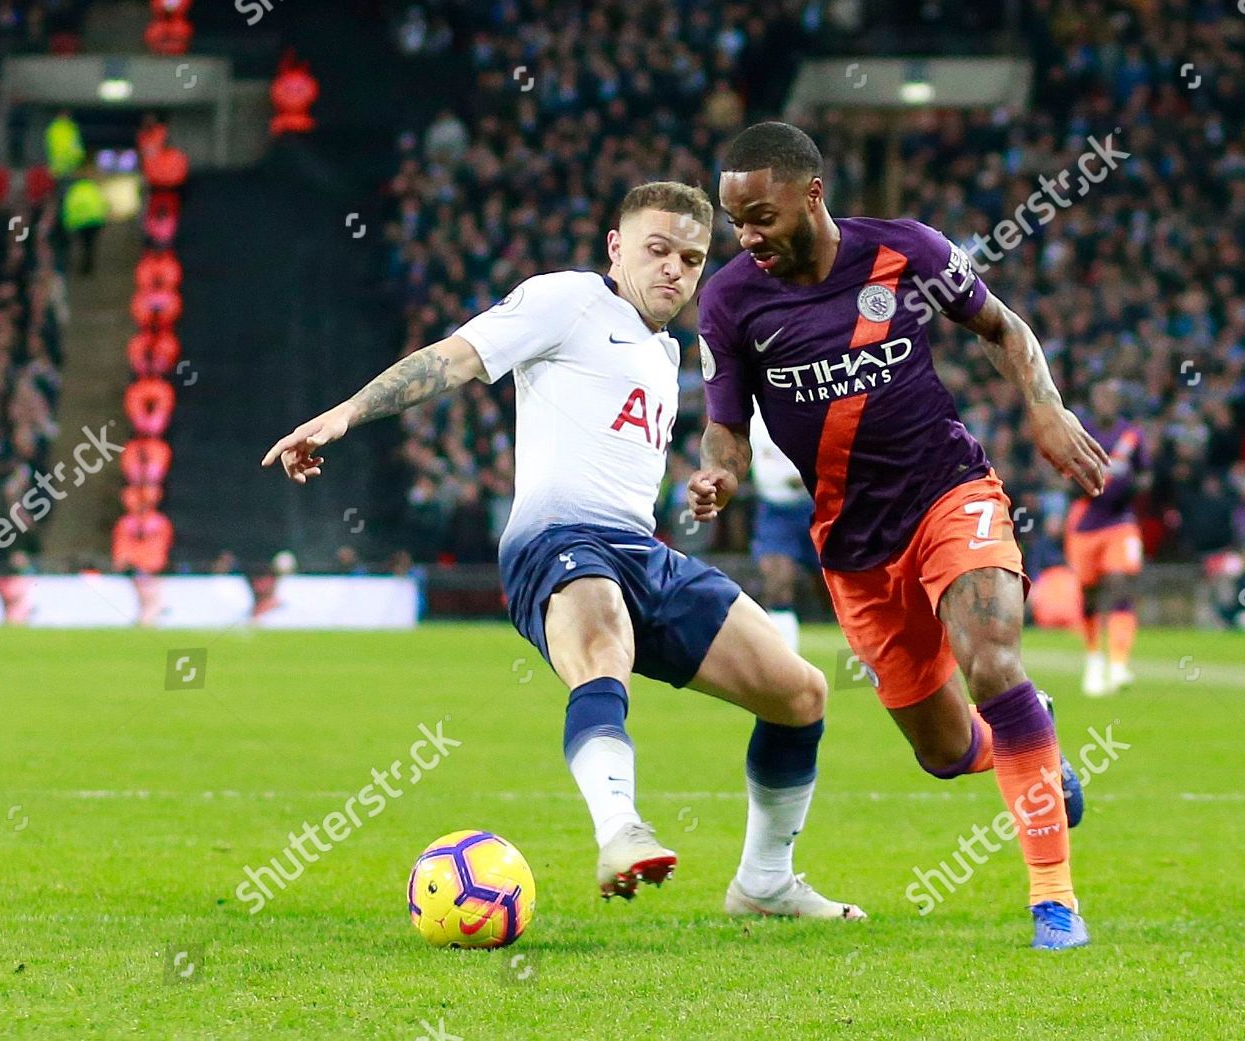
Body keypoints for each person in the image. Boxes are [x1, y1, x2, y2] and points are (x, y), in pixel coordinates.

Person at [263, 181, 863, 919]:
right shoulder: (567, 300)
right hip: (556, 541)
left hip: (640, 552)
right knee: (604, 641)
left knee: (800, 693)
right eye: (657, 249)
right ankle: (620, 831)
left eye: (691, 259)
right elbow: (453, 359)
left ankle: (764, 883)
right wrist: (346, 415)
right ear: (616, 247)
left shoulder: (667, 350)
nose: (674, 269)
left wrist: (713, 483)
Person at [688, 122, 1103, 949]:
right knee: (945, 750)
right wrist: (719, 474)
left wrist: (1047, 409)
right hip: (853, 544)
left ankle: (1054, 901)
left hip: (949, 492)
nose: (748, 237)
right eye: (736, 221)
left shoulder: (905, 252)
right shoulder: (731, 300)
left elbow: (1004, 328)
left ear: (812, 194)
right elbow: (726, 427)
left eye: (762, 216)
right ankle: (1028, 737)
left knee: (994, 662)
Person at [1065, 381, 1149, 696]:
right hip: (1085, 522)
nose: (1106, 402)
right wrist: (1078, 484)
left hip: (1120, 521)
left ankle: (1118, 663)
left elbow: (1146, 472)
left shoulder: (1132, 435)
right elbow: (1062, 471)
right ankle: (1094, 659)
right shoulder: (1079, 433)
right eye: (1101, 396)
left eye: (1111, 397)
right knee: (1089, 595)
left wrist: (1134, 486)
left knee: (1120, 584)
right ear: (1093, 400)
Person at [748, 404, 818, 652]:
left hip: (818, 505)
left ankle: (866, 651)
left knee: (842, 583)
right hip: (774, 509)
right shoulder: (749, 412)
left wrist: (808, 476)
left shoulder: (805, 403)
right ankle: (785, 655)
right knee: (777, 583)